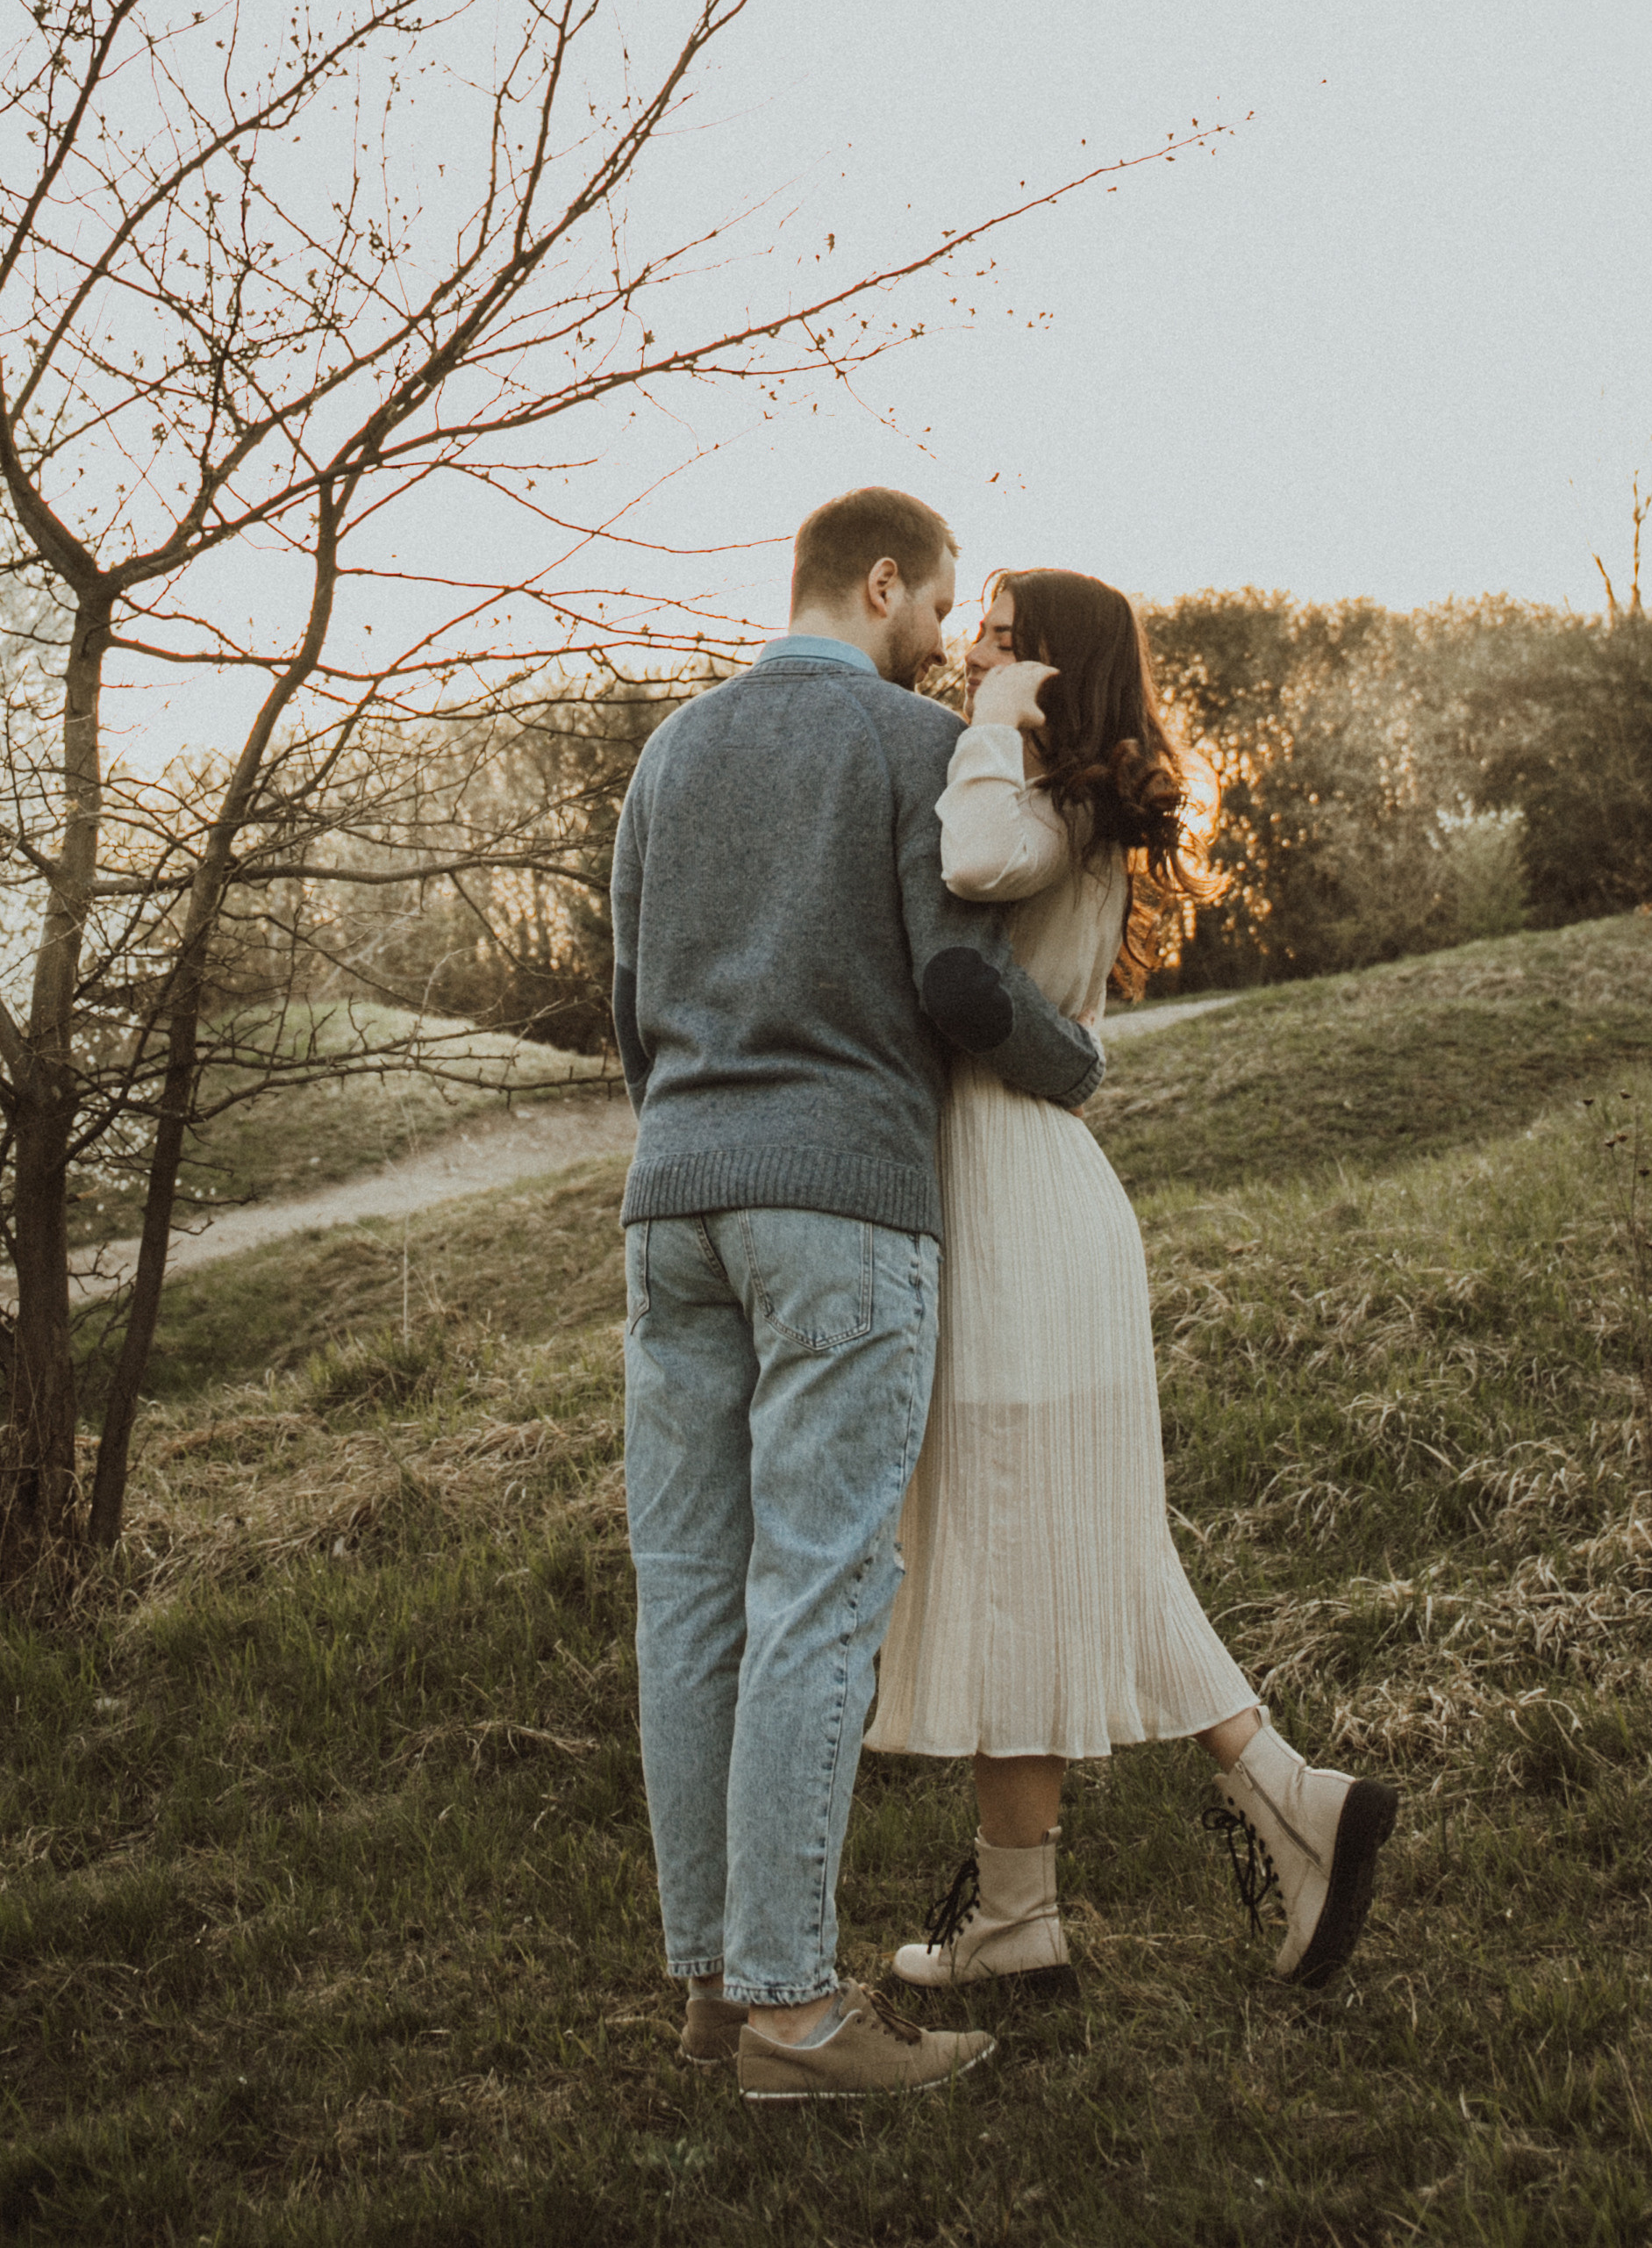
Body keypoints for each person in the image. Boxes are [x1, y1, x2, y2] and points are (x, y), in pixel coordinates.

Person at [611, 486, 1110, 2103]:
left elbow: (630, 1005)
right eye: (939, 604)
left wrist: (699, 1119)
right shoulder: (908, 748)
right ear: (883, 582)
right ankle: (793, 2011)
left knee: (688, 1594)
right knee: (817, 1595)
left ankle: (708, 1985)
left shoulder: (672, 751)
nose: (947, 640)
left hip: (673, 1203)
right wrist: (1077, 1058)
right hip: (837, 1207)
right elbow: (961, 986)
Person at [869, 569, 1398, 2006]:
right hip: (1046, 1200)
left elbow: (976, 858)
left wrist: (987, 713)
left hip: (1014, 1209)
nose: (970, 642)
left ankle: (1047, 1909)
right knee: (1067, 1552)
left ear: (1046, 663)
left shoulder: (1041, 800)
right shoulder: (1077, 797)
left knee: (1007, 1549)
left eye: (997, 627)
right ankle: (1248, 1821)